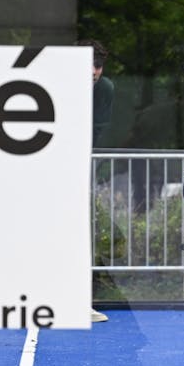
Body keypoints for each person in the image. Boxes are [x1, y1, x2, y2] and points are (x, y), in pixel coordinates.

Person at [79, 38, 114, 323]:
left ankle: (82, 303)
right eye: (87, 65)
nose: (93, 71)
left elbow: (99, 134)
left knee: (82, 234)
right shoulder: (54, 85)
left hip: (84, 170)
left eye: (98, 65)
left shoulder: (105, 90)